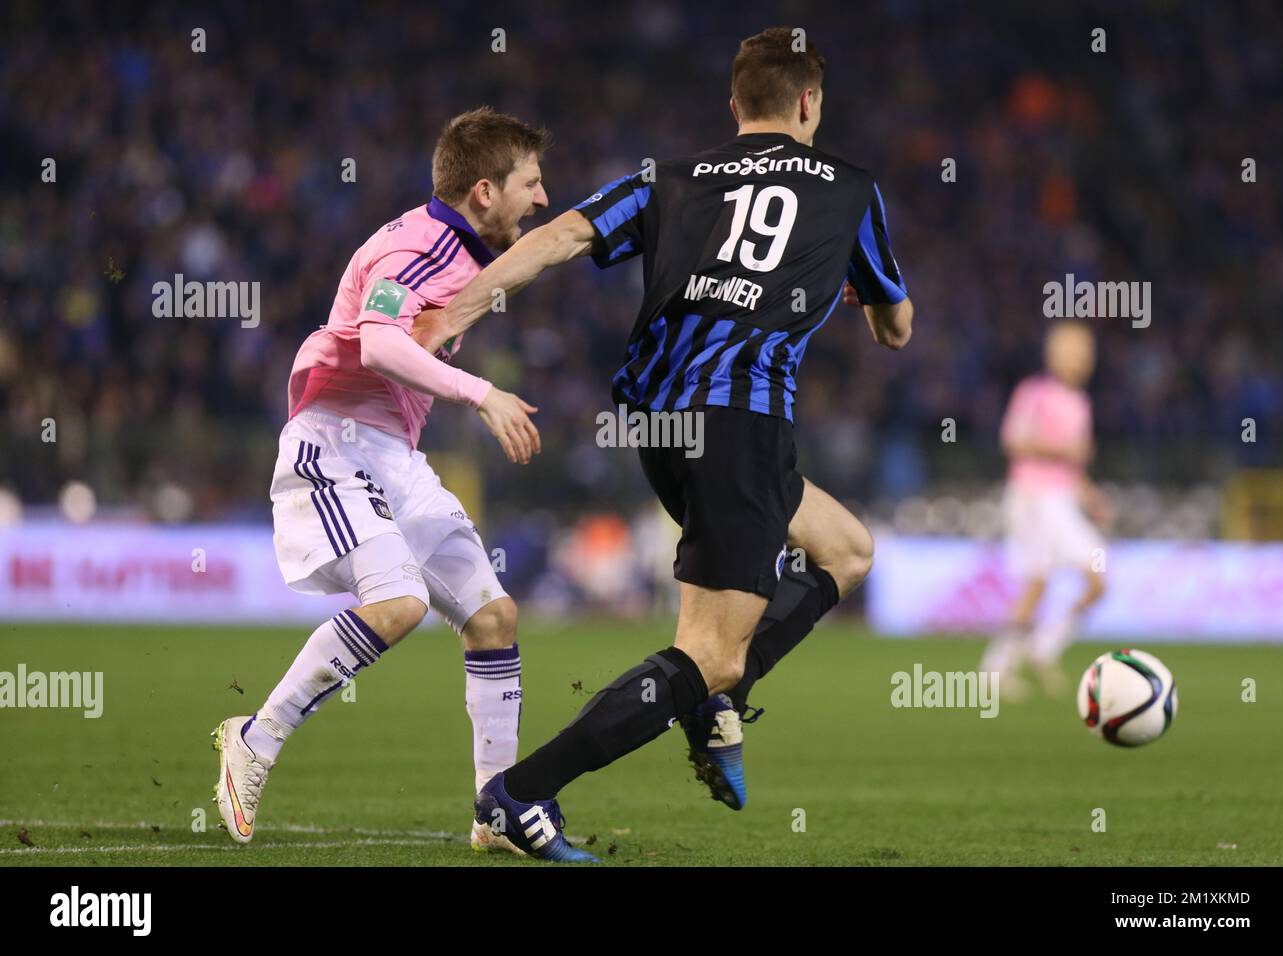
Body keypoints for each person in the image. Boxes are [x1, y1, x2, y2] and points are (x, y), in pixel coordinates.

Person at [427, 28, 913, 861]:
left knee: (847, 550)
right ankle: (520, 793)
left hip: (659, 424)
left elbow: (561, 238)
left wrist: (456, 312)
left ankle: (722, 697)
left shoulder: (669, 178)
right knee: (707, 655)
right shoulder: (851, 189)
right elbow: (894, 326)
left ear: (734, 108)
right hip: (740, 424)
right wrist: (858, 300)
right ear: (808, 104)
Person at [211, 108, 547, 854]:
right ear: (486, 191)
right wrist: (479, 391)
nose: (543, 196)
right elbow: (381, 345)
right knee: (398, 603)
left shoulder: (463, 251)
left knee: (493, 619)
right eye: (532, 181)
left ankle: (497, 811)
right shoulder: (415, 248)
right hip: (334, 441)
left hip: (395, 456)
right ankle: (255, 738)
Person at [981, 320, 1109, 697]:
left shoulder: (1081, 402)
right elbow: (1013, 440)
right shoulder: (1034, 392)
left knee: (1099, 577)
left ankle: (1043, 647)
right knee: (1037, 583)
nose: (1080, 361)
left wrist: (1090, 496)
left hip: (1063, 502)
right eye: (1073, 352)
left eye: (1085, 354)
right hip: (1033, 497)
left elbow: (1075, 465)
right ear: (1053, 354)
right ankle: (995, 668)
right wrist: (1062, 451)